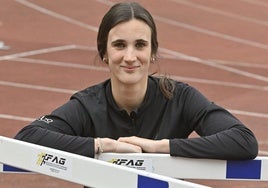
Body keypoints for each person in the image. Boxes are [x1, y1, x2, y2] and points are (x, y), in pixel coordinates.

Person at [15, 2, 258, 161]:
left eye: (140, 45)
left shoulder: (180, 98)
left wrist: (161, 147)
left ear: (153, 52)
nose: (130, 57)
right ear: (104, 53)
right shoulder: (88, 105)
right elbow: (28, 137)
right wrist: (100, 146)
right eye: (119, 45)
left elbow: (243, 141)